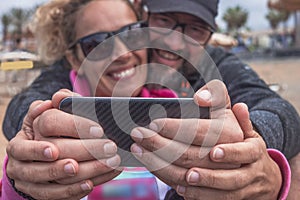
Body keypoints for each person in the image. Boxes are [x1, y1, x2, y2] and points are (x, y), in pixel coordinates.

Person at [1, 0, 299, 199]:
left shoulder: (187, 87)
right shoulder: (65, 85)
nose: (175, 41)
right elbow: (29, 105)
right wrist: (31, 158)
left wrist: (247, 152)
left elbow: (276, 109)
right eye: (165, 21)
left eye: (194, 29)